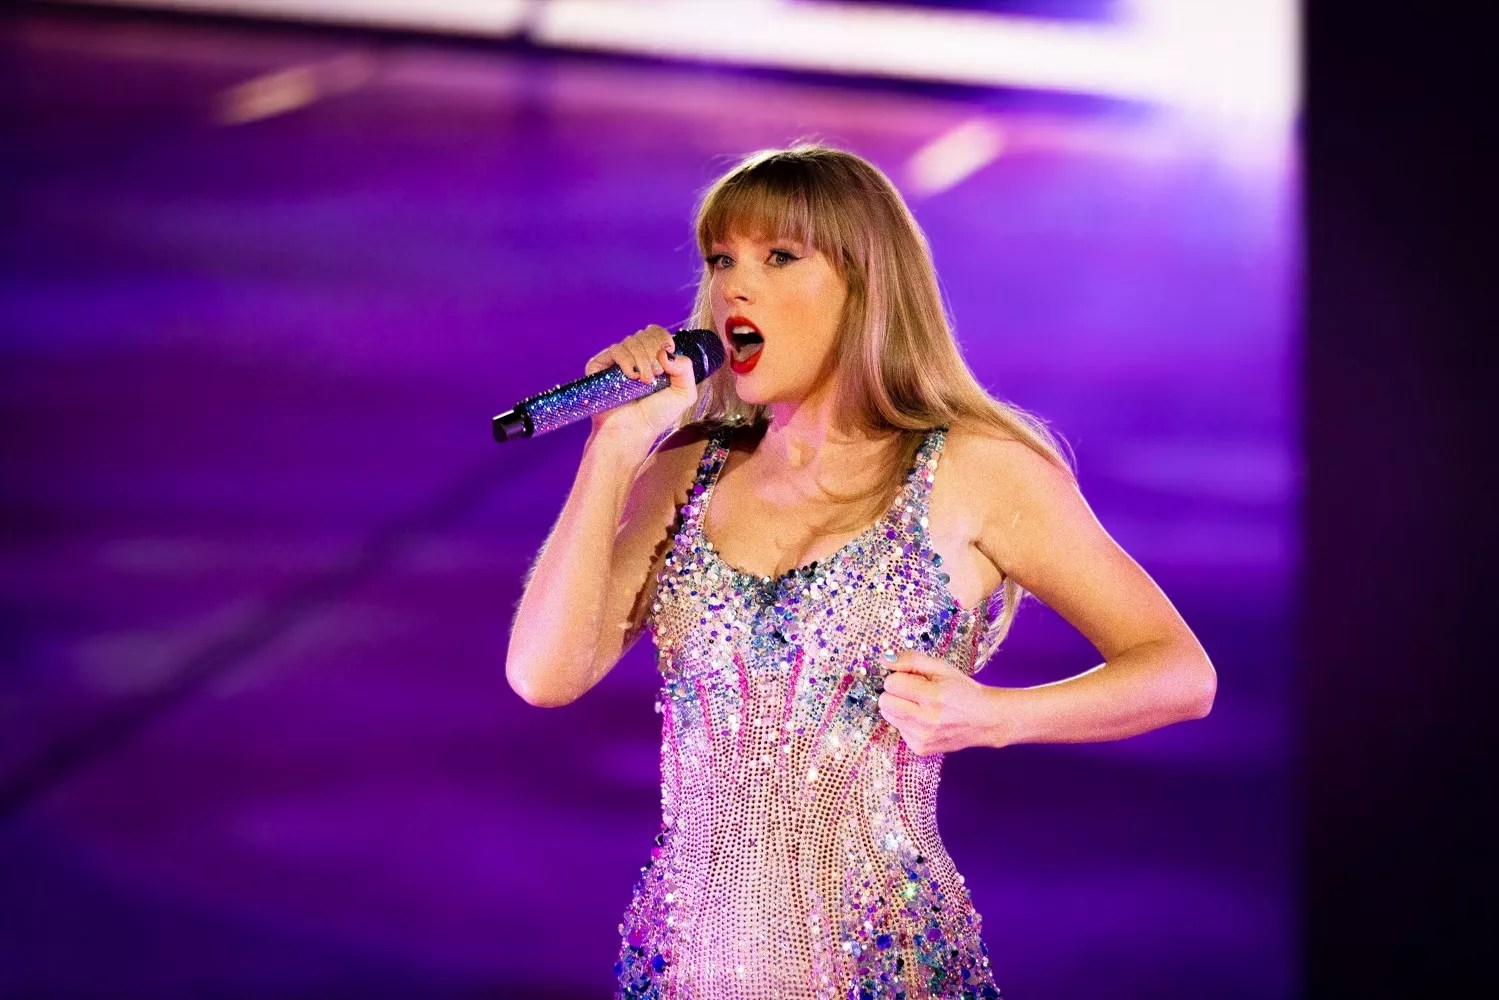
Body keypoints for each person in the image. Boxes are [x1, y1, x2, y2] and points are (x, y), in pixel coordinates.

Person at [506, 143, 1216, 999]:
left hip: (885, 970)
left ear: (863, 283)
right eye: (721, 260)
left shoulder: (977, 469)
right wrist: (614, 446)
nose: (734, 288)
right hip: (687, 972)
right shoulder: (687, 466)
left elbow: (1178, 673)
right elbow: (543, 675)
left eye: (777, 257)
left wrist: (997, 716)